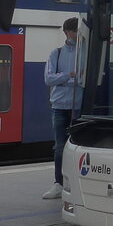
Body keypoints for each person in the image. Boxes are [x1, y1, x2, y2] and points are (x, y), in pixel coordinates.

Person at [42, 18, 83, 200]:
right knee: (59, 147)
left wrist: (64, 79)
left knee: (78, 146)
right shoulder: (56, 54)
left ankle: (75, 183)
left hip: (78, 106)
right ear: (66, 32)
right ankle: (58, 183)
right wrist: (69, 75)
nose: (76, 35)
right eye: (74, 31)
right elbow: (48, 79)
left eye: (78, 32)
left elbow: (83, 81)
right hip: (59, 106)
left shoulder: (85, 53)